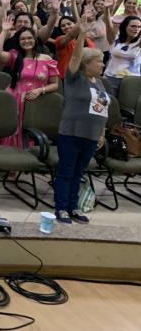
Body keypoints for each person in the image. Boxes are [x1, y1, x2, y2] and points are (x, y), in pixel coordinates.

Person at [54, 22, 109, 224]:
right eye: (99, 62)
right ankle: (61, 209)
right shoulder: (74, 77)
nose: (102, 65)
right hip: (71, 132)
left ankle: (73, 207)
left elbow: (103, 109)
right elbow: (75, 57)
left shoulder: (100, 83)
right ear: (87, 64)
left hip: (92, 135)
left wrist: (101, 133)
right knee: (66, 172)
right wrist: (81, 35)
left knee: (78, 173)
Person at [0, 21, 59, 148]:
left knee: (31, 131)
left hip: (36, 100)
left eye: (29, 38)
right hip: (16, 98)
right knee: (13, 131)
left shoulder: (47, 59)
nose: (26, 41)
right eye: (22, 39)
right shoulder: (15, 57)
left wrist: (40, 90)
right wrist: (5, 31)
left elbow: (55, 85)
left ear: (35, 40)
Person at [103, 15, 140, 93]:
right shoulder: (116, 39)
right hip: (111, 78)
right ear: (125, 27)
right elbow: (108, 26)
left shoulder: (139, 43)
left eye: (139, 27)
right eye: (133, 26)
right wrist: (107, 9)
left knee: (127, 105)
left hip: (131, 81)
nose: (136, 29)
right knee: (109, 103)